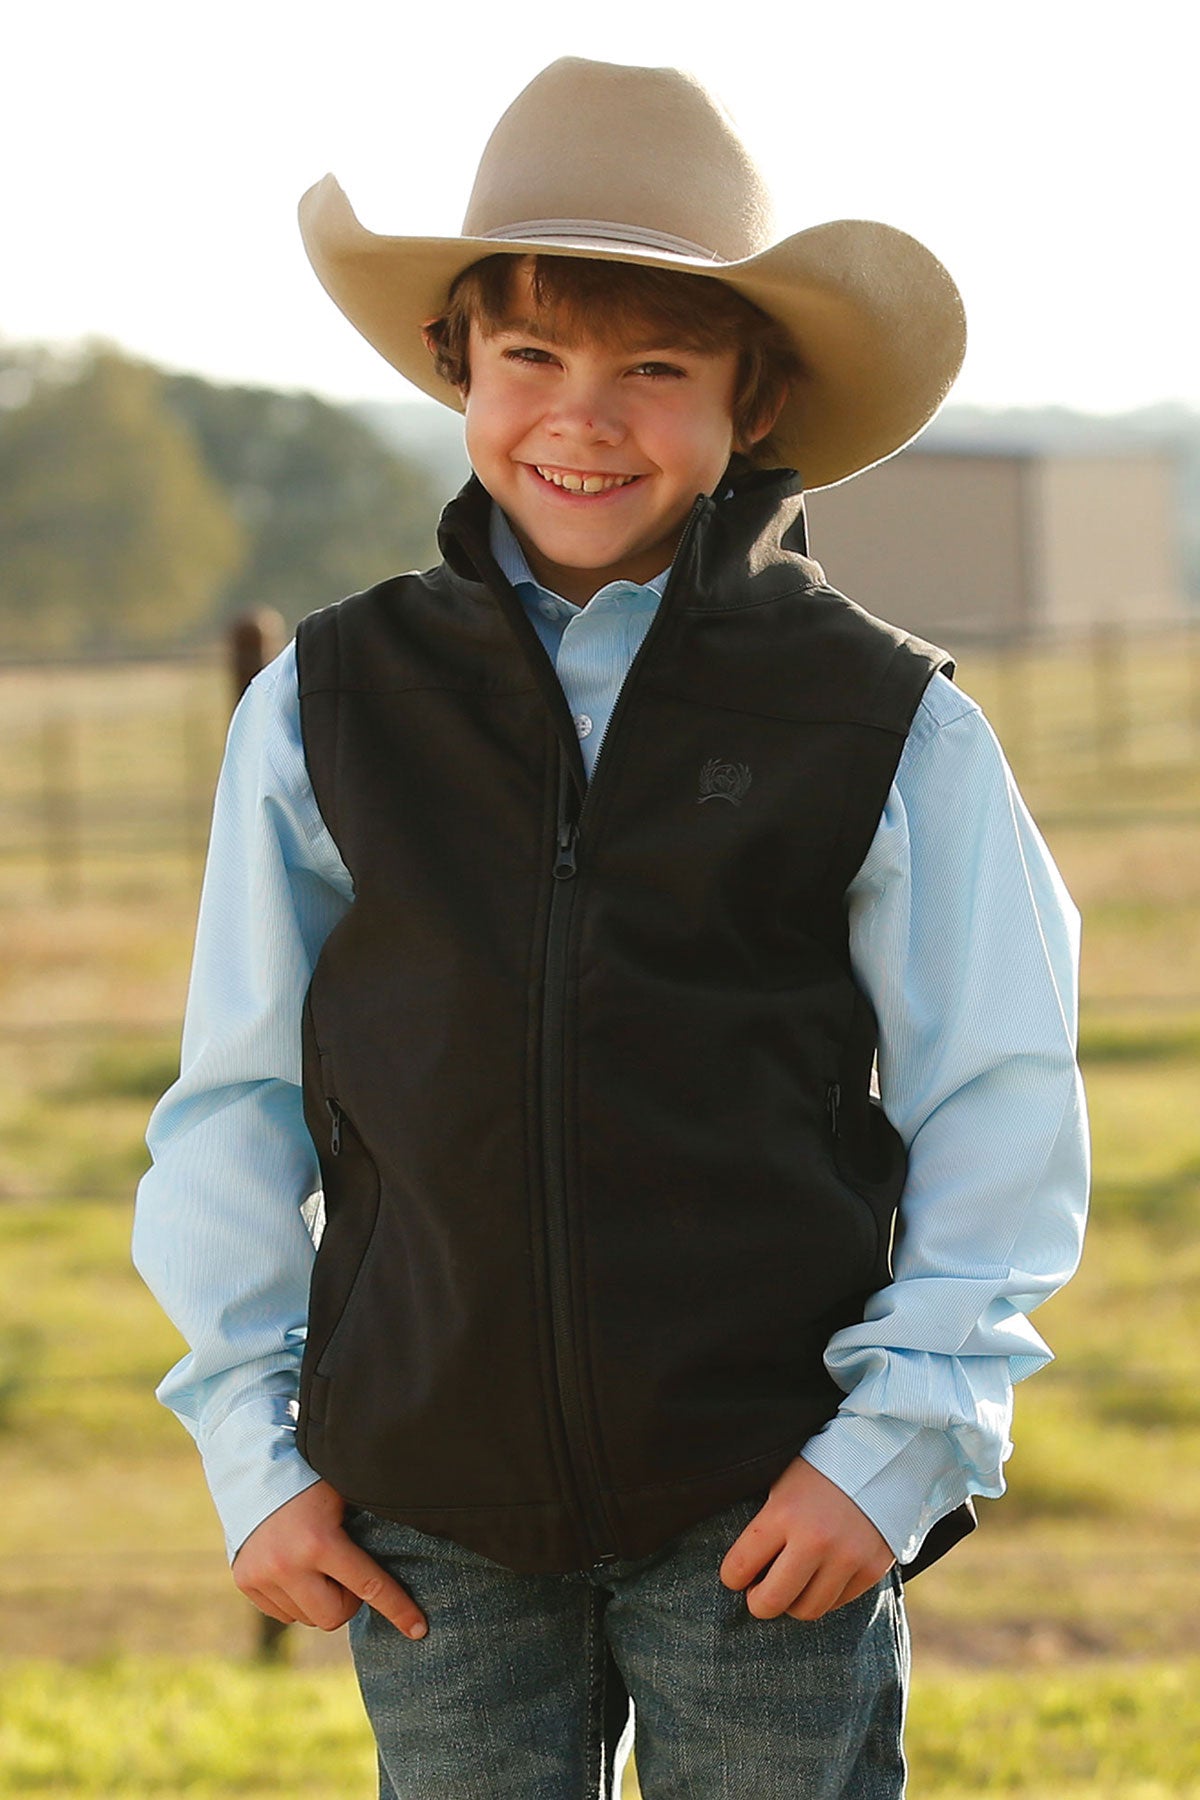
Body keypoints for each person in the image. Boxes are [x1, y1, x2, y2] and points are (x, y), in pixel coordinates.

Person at [133, 56, 1089, 1800]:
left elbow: (1002, 1106)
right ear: (458, 369)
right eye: (533, 361)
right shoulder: (328, 703)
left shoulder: (882, 717)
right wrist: (251, 1452)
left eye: (655, 368)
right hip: (427, 1514)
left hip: (768, 1496)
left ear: (755, 394)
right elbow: (232, 1101)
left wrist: (895, 1450)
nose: (584, 419)